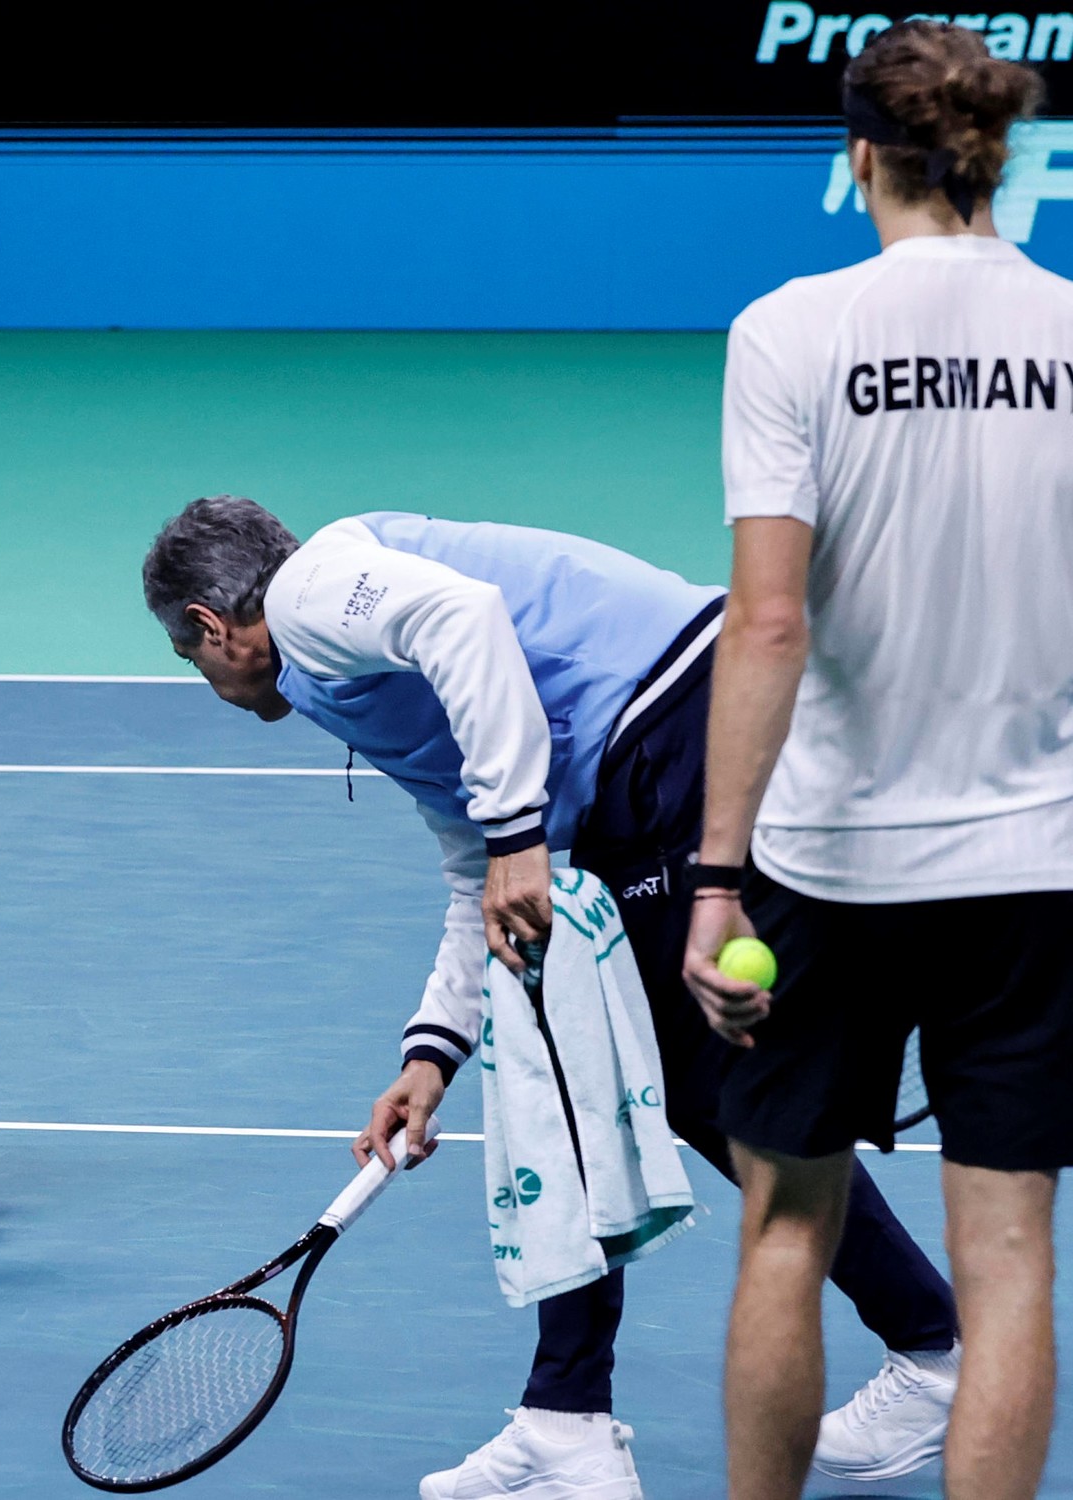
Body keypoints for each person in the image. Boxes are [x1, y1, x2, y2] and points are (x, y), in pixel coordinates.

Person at [142, 496, 962, 1498]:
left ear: (210, 625)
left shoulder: (312, 592)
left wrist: (519, 835)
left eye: (189, 661)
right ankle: (569, 1415)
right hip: (671, 743)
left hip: (681, 721)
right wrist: (429, 1054)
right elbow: (469, 865)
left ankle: (922, 1352)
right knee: (622, 1078)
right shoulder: (347, 678)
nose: (207, 680)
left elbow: (465, 623)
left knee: (674, 1085)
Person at [680, 21, 1070, 1500]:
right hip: (1038, 861)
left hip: (833, 866)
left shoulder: (790, 329)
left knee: (788, 1227)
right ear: (1000, 158)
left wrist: (718, 879)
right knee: (1012, 1252)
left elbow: (769, 622)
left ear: (857, 159)